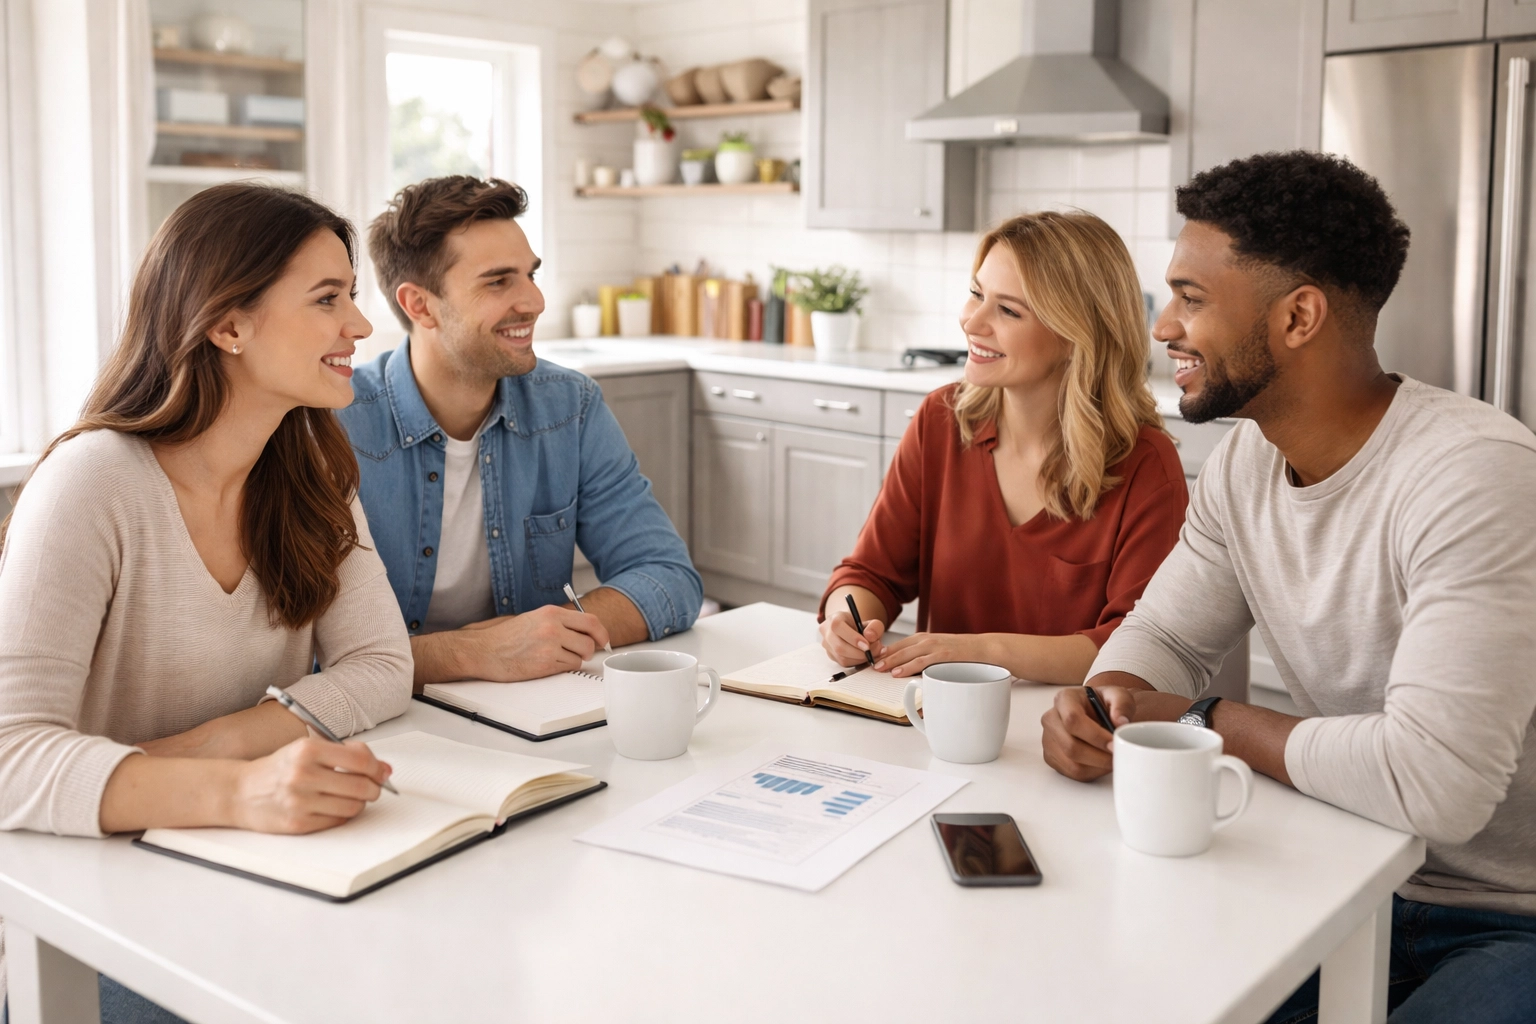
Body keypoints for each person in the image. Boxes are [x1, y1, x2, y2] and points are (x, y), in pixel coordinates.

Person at [1040, 151, 1536, 1022]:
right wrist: (1105, 702)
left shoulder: (1474, 474)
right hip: (1342, 867)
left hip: (1512, 915)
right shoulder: (1247, 463)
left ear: (1298, 316)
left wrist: (1204, 720)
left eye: (1192, 298)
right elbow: (1169, 637)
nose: (1163, 327)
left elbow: (1439, 785)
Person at [0, 183, 412, 1019]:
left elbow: (381, 665)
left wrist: (221, 743)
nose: (361, 327)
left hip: (248, 873)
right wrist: (239, 790)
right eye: (327, 299)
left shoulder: (313, 474)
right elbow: (9, 759)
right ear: (228, 326)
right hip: (94, 905)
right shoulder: (92, 483)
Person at [340, 176, 701, 687]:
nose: (534, 301)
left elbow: (669, 577)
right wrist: (472, 652)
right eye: (498, 281)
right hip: (384, 715)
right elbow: (309, 655)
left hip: (529, 703)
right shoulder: (335, 426)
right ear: (419, 305)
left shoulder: (570, 407)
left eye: (530, 275)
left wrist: (547, 633)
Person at [818, 210, 1187, 684]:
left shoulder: (1147, 466)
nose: (972, 321)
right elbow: (871, 573)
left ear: (1076, 336)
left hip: (1066, 722)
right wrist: (845, 619)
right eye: (977, 294)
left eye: (1008, 310)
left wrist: (976, 651)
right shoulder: (940, 420)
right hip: (939, 717)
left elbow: (1135, 647)